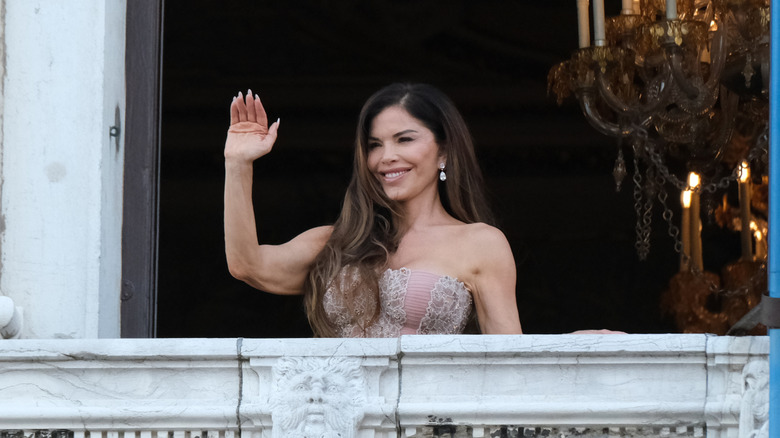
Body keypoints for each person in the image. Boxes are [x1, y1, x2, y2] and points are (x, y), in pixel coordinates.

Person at [224, 82, 523, 337]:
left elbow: (510, 356)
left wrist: (565, 350)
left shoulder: (482, 243)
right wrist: (238, 163)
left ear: (443, 151)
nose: (387, 156)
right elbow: (247, 266)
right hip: (339, 403)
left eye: (404, 139)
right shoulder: (338, 241)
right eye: (375, 145)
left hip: (429, 404)